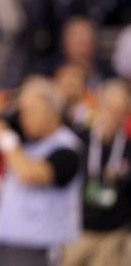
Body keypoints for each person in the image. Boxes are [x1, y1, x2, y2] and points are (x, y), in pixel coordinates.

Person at [0, 77, 82, 266]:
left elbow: (30, 174)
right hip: (7, 242)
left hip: (39, 247)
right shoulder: (26, 145)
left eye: (29, 111)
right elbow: (17, 188)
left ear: (50, 111)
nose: (23, 119)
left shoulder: (67, 148)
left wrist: (5, 138)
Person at [62, 80, 131, 266]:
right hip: (77, 231)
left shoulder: (127, 148)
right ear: (99, 107)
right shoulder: (79, 140)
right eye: (110, 108)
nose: (114, 116)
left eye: (121, 111)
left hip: (113, 235)